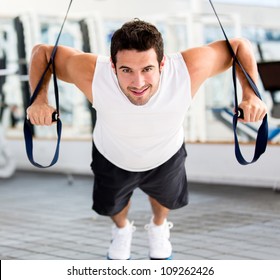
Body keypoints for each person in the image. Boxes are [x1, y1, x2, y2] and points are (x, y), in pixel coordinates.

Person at [26, 19, 267, 260]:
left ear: (162, 63)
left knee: (165, 199)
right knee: (113, 207)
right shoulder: (93, 73)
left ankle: (159, 227)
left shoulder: (186, 70)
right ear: (113, 65)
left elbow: (239, 46)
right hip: (112, 155)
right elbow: (43, 53)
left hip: (166, 154)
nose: (138, 83)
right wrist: (39, 100)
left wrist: (251, 94)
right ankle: (121, 230)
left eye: (147, 69)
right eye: (126, 70)